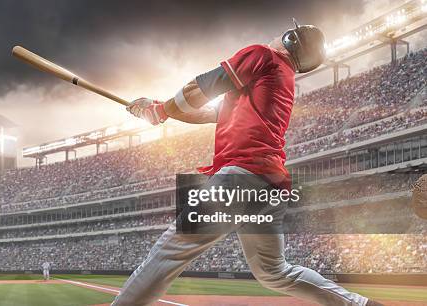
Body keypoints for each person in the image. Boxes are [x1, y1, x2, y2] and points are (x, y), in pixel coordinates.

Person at [114, 19, 382, 306]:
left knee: (172, 249)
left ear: (291, 38)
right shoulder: (280, 77)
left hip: (241, 176)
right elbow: (203, 112)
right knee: (274, 272)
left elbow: (202, 87)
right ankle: (359, 304)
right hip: (269, 184)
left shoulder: (263, 55)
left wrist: (161, 110)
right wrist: (156, 107)